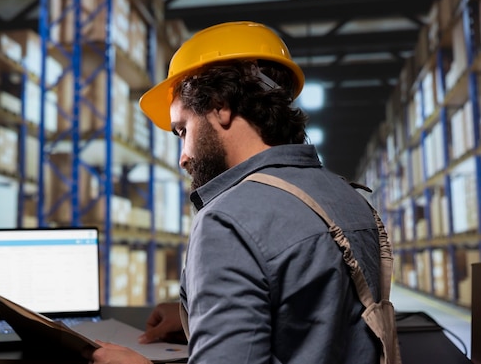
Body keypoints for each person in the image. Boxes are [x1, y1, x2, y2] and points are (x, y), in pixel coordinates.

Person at [85, 21, 386, 364]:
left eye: (182, 130)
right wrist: (203, 319)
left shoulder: (228, 221)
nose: (183, 157)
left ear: (219, 105)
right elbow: (317, 329)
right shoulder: (348, 198)